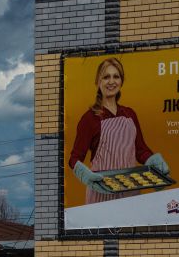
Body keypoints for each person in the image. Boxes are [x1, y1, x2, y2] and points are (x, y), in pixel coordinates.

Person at [68, 57, 169, 204]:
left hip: (131, 192)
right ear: (98, 81)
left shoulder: (130, 114)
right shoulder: (89, 118)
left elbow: (140, 150)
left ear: (121, 81)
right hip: (101, 192)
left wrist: (154, 161)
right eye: (106, 77)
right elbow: (74, 158)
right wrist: (86, 175)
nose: (111, 81)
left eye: (116, 76)